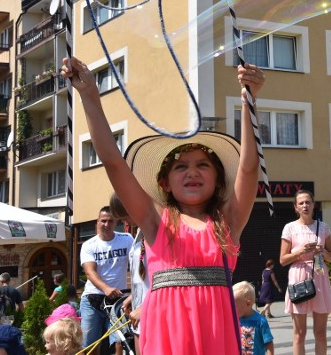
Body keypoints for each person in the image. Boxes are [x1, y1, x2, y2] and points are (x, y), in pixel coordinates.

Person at [62, 56, 266, 354]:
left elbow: (249, 168)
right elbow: (114, 163)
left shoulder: (228, 222)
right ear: (165, 183)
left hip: (216, 334)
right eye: (181, 166)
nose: (192, 171)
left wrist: (249, 102)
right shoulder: (155, 220)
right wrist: (90, 95)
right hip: (165, 333)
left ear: (218, 180)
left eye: (203, 165)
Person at [280, 190, 331, 355]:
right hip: (298, 276)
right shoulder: (289, 228)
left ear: (314, 204)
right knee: (299, 333)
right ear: (296, 207)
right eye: (301, 203)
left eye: (308, 202)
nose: (305, 205)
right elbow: (283, 259)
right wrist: (300, 251)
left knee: (320, 333)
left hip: (319, 274)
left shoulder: (323, 227)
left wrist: (323, 252)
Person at [78, 207, 133, 355]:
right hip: (93, 298)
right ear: (97, 222)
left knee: (120, 341)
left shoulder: (126, 239)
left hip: (117, 299)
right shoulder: (89, 245)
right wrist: (106, 288)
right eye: (103, 221)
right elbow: (90, 272)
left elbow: (137, 263)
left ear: (116, 223)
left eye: (110, 221)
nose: (106, 224)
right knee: (90, 344)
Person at [109, 193, 148, 354]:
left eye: (125, 216)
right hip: (140, 315)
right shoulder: (140, 232)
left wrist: (146, 307)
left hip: (152, 314)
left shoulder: (156, 232)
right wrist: (134, 296)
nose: (125, 221)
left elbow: (169, 279)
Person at [233, 281, 275, 355]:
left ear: (248, 303)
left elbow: (269, 343)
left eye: (235, 306)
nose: (232, 309)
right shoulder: (234, 320)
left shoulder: (260, 321)